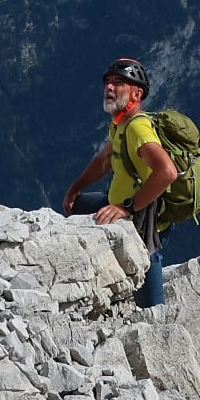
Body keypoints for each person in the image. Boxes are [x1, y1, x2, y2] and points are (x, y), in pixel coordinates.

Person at [62, 57, 178, 308]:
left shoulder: (138, 129)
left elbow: (167, 172)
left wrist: (127, 207)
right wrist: (74, 189)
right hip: (119, 205)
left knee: (150, 308)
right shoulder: (120, 126)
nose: (109, 88)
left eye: (118, 83)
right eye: (108, 83)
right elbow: (103, 161)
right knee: (78, 206)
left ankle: (155, 310)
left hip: (142, 221)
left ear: (137, 93)